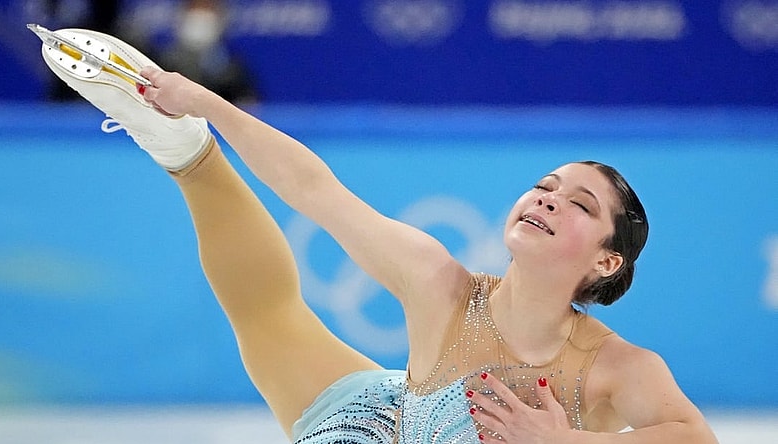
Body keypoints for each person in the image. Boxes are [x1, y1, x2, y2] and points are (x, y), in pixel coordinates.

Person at [35, 25, 719, 444]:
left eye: (577, 203)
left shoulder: (616, 367)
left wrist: (562, 443)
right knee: (266, 316)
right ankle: (185, 153)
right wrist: (205, 105)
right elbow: (314, 191)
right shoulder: (440, 285)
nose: (545, 199)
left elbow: (694, 438)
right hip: (379, 428)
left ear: (606, 259)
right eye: (543, 185)